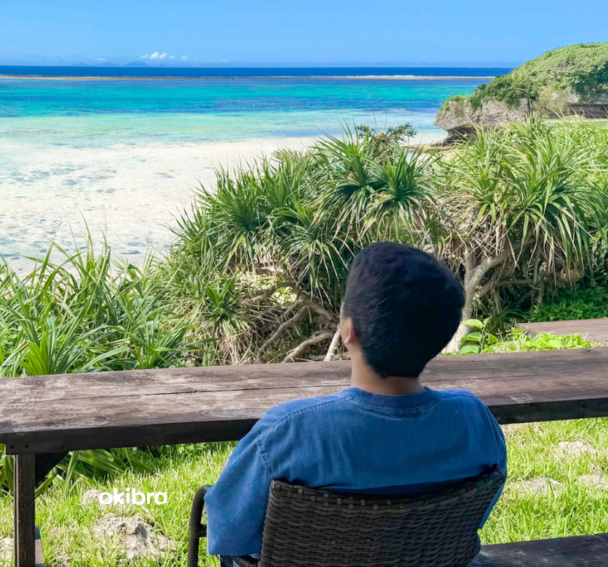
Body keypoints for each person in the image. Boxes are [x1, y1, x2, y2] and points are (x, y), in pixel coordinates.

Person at [204, 241, 507, 563]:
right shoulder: (474, 421)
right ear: (442, 336)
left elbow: (227, 534)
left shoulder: (289, 433)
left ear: (349, 330)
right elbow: (475, 515)